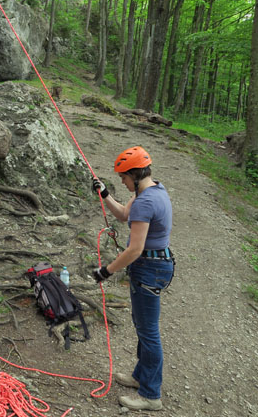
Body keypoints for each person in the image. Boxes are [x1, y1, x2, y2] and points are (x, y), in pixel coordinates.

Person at [91, 146, 174, 412]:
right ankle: (141, 376)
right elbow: (124, 215)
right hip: (154, 266)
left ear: (135, 175)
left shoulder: (146, 200)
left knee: (149, 333)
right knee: (142, 326)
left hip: (149, 269)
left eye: (124, 178)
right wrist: (105, 195)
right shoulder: (151, 190)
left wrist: (106, 271)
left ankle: (151, 395)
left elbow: (135, 250)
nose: (122, 182)